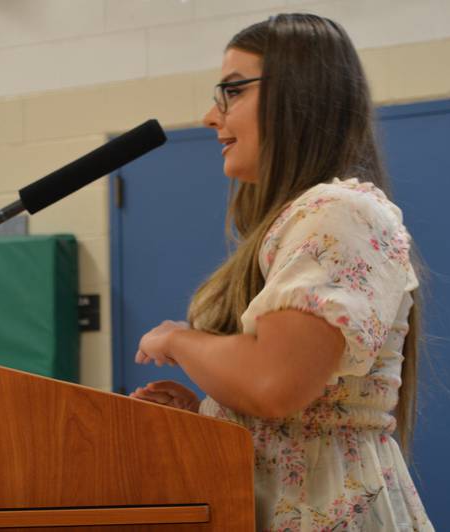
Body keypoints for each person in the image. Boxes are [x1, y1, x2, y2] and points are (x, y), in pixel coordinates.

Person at [129, 13, 434, 532]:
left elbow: (274, 382)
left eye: (232, 92)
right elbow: (289, 401)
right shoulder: (303, 218)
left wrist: (181, 341)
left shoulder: (338, 211)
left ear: (299, 94)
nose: (210, 115)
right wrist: (215, 411)